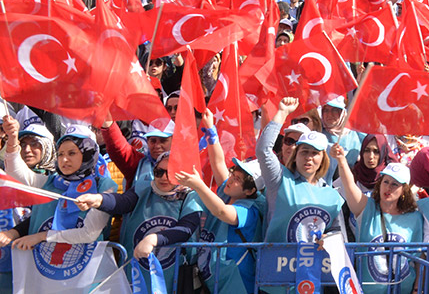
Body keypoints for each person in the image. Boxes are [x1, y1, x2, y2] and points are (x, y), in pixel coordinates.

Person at [0, 121, 118, 276]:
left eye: (72, 153)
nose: (64, 160)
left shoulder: (104, 185)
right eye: (61, 154)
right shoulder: (50, 182)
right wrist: (13, 138)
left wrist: (41, 237)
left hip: (84, 275)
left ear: (88, 153)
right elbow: (16, 172)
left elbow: (89, 233)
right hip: (44, 272)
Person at [75, 150, 203, 289]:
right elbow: (123, 202)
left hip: (172, 276)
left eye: (171, 173)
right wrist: (98, 200)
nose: (163, 177)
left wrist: (153, 239)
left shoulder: (191, 196)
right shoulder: (144, 186)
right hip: (136, 272)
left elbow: (185, 229)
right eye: (159, 172)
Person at [173, 113, 265, 294]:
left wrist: (199, 185)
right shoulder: (228, 191)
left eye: (237, 179)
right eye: (233, 174)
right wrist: (210, 131)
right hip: (213, 279)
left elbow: (222, 212)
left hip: (237, 283)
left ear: (249, 191)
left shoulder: (249, 210)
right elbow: (218, 163)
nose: (231, 180)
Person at [334, 151, 425, 294]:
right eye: (385, 182)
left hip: (403, 290)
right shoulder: (366, 208)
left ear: (404, 190)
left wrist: (416, 289)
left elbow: (419, 258)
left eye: (394, 184)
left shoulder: (415, 218)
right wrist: (341, 161)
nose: (388, 188)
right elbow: (349, 185)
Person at [257, 97, 344, 245]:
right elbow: (263, 150)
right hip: (276, 259)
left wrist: (328, 240)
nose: (309, 158)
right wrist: (282, 112)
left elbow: (338, 234)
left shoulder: (332, 195)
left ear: (323, 159)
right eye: (304, 152)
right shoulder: (279, 179)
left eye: (314, 153)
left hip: (314, 260)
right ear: (295, 155)